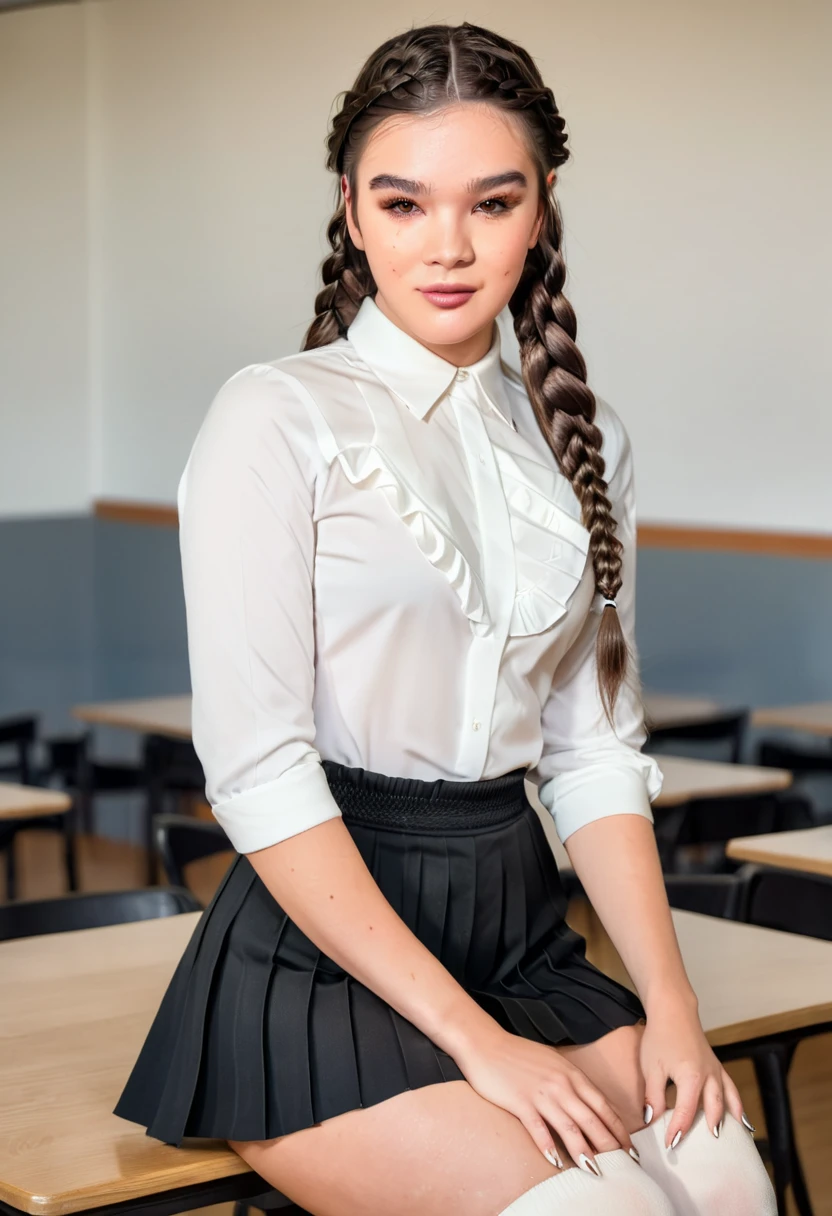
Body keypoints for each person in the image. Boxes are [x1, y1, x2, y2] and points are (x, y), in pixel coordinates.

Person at [113, 20, 776, 1216]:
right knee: (601, 1209)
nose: (450, 246)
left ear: (543, 207)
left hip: (519, 929)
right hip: (316, 960)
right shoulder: (275, 417)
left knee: (729, 1181)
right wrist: (476, 1043)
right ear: (353, 210)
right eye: (406, 203)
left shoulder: (588, 437)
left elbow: (590, 752)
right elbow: (258, 772)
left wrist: (671, 1004)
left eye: (493, 201)